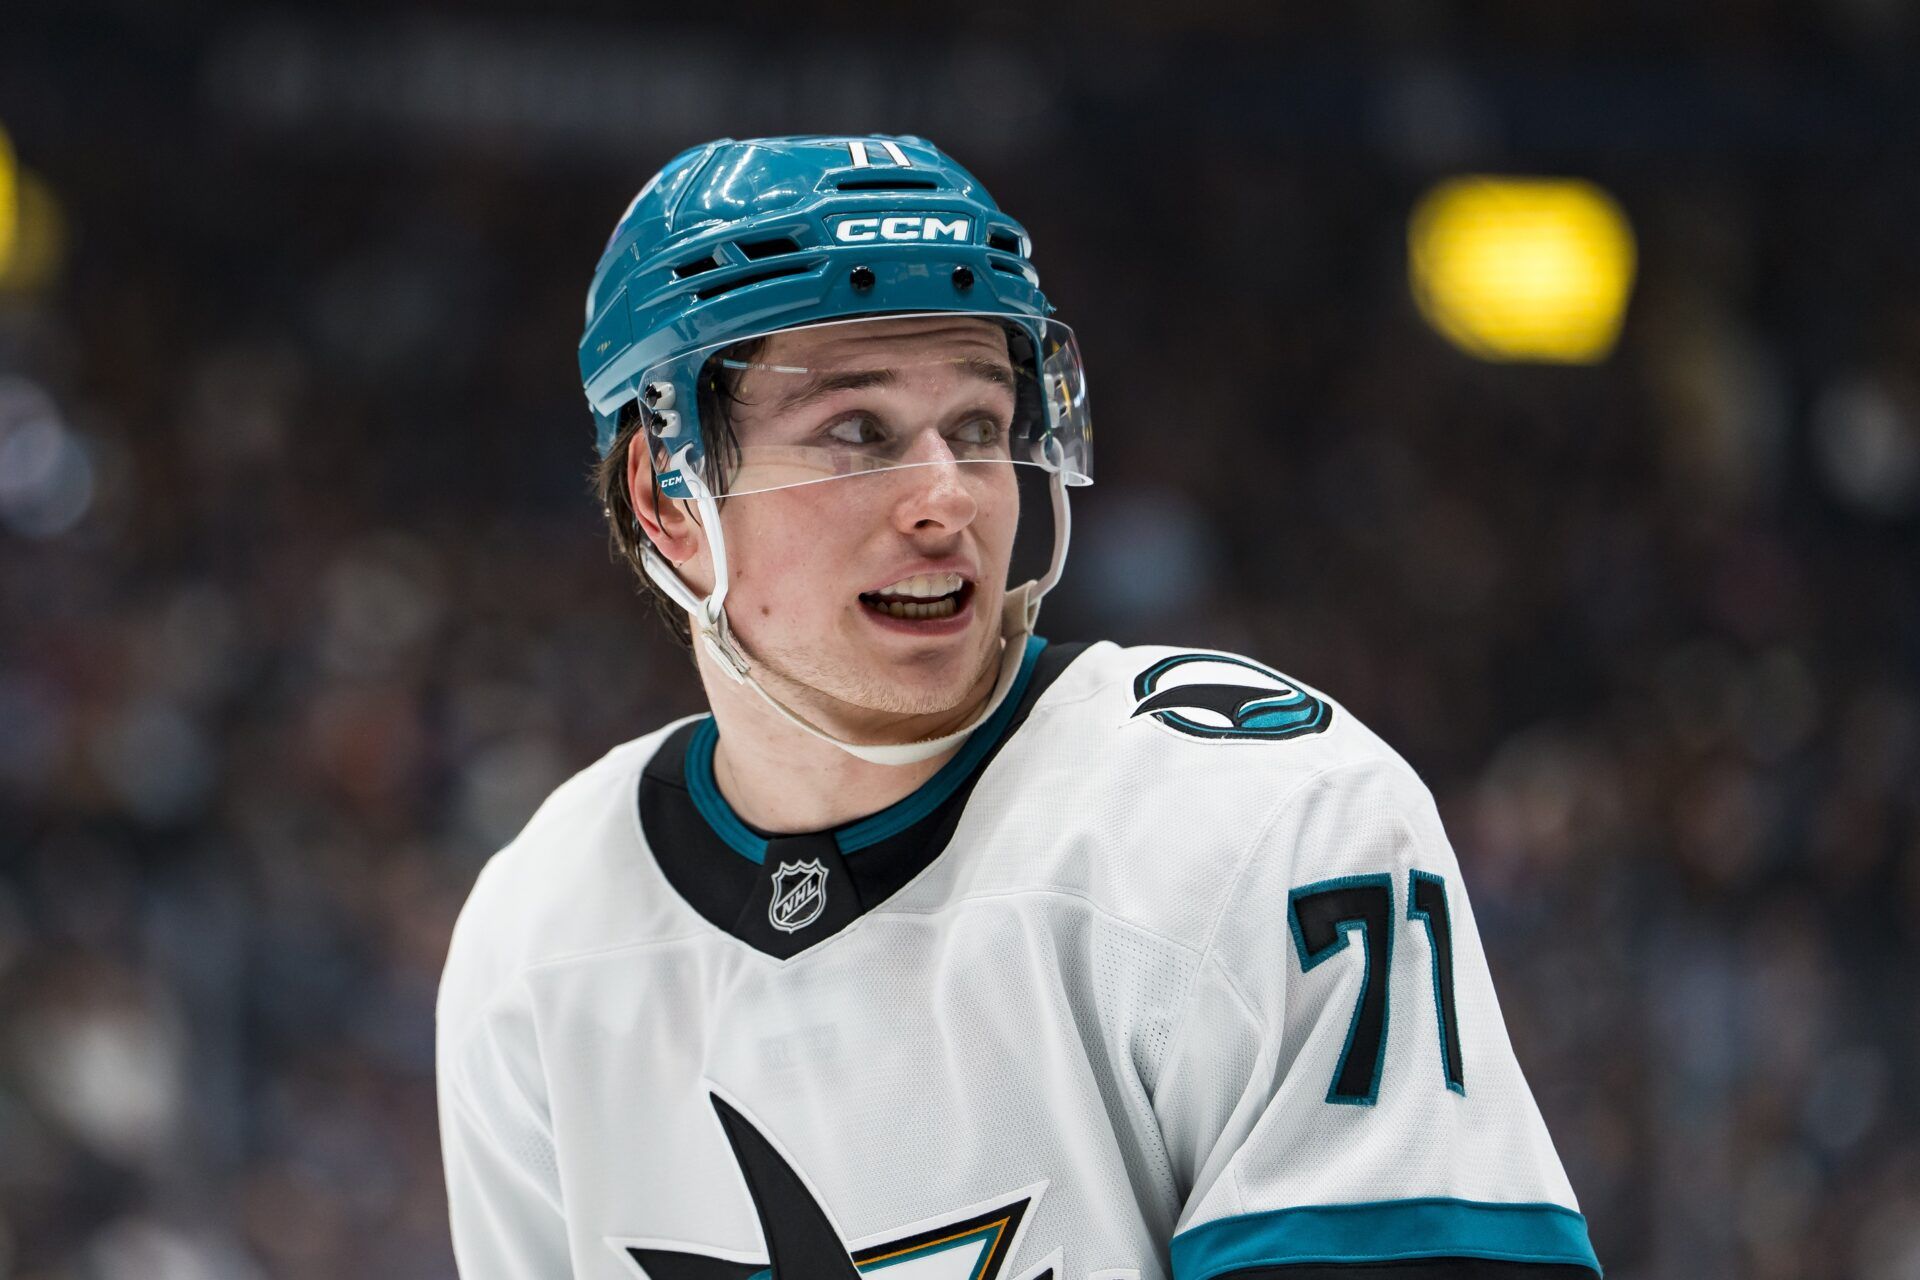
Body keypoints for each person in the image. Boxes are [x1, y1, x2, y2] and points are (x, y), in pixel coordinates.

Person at [435, 134, 1601, 1280]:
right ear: (668, 494)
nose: (946, 496)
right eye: (858, 432)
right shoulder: (538, 928)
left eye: (981, 428)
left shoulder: (1260, 816)